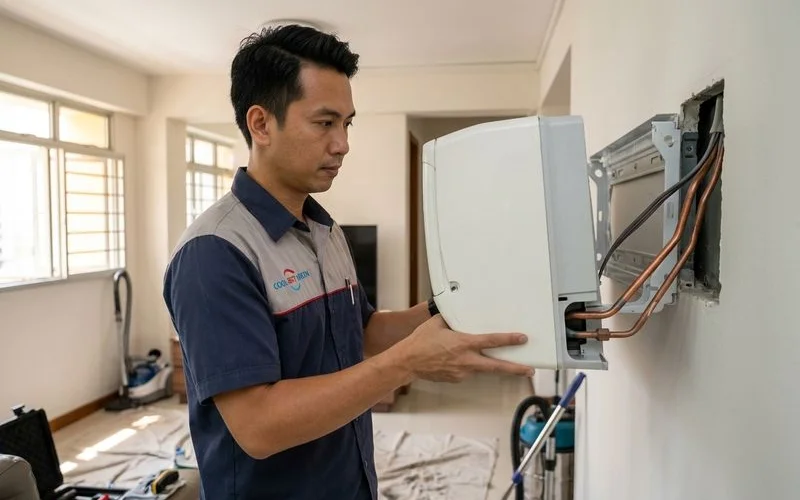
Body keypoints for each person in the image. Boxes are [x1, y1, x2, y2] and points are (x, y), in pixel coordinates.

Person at [162, 24, 534, 500]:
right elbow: (258, 427)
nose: (343, 143)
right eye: (324, 123)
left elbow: (363, 332)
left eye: (347, 123)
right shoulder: (215, 254)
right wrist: (407, 364)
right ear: (261, 124)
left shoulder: (325, 229)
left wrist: (454, 304)